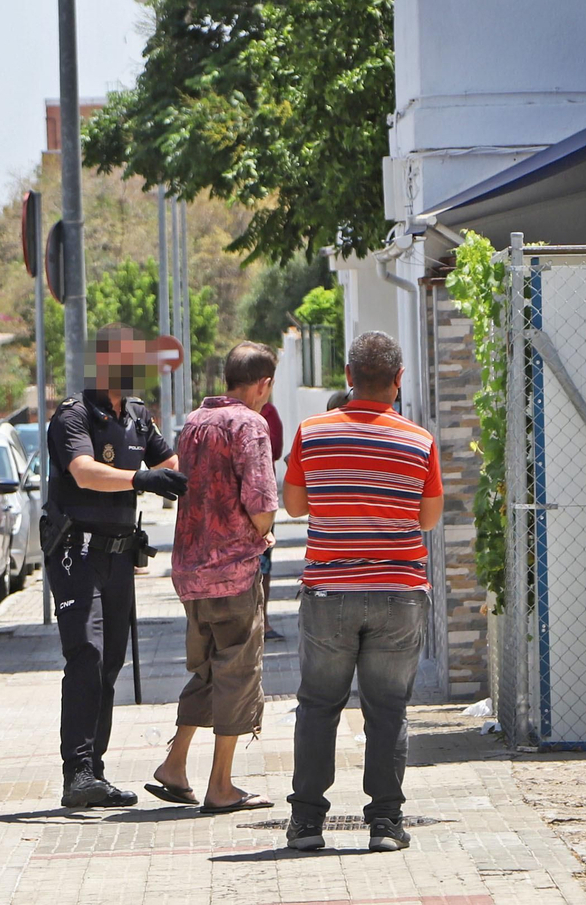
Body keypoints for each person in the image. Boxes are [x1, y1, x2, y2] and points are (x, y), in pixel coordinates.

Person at [282, 332, 444, 853]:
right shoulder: (419, 441)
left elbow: (294, 506)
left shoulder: (312, 431)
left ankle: (306, 823)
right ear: (399, 381)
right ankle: (386, 824)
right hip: (399, 591)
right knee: (388, 709)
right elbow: (430, 518)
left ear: (348, 378)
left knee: (318, 705)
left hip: (329, 591)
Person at [43, 324, 188, 807]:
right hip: (76, 553)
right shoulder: (74, 415)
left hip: (120, 556)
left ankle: (94, 773)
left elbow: (173, 462)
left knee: (109, 663)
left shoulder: (137, 416)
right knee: (85, 653)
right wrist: (140, 479)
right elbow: (84, 472)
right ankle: (77, 771)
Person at [146, 342, 279, 814]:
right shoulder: (250, 423)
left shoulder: (194, 422)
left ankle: (174, 764)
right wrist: (263, 535)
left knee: (207, 668)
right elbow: (261, 503)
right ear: (262, 383)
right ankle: (221, 785)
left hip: (190, 571)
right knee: (237, 674)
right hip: (235, 569)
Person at [258, 401, 285, 640]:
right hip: (233, 504)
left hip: (261, 501)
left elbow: (275, 449)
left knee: (263, 564)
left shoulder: (268, 411)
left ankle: (263, 621)